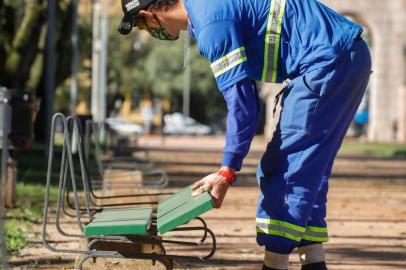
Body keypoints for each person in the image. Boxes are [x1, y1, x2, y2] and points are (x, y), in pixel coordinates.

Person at [118, 0, 372, 269]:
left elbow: (243, 105)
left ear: (149, 14)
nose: (147, 31)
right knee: (307, 171)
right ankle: (314, 262)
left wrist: (227, 170)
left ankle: (274, 264)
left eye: (141, 25)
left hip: (326, 62)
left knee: (284, 171)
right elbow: (247, 96)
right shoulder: (206, 11)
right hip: (346, 56)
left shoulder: (211, 23)